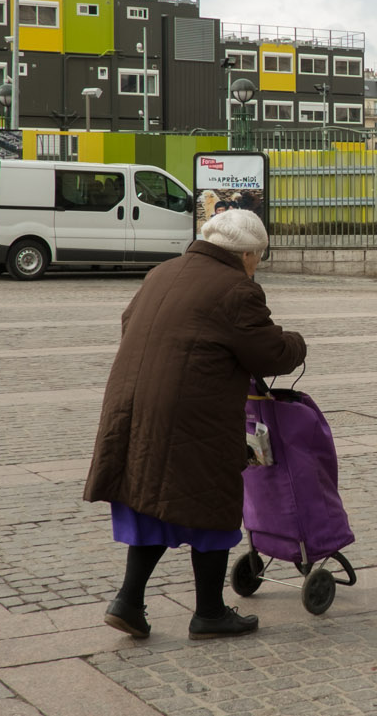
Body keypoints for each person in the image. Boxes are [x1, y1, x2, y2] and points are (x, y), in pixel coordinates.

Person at [83, 209, 308, 641]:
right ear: (246, 254)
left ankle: (128, 602)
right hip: (190, 411)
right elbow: (268, 353)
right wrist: (296, 343)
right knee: (210, 495)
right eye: (257, 257)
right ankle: (209, 613)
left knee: (153, 497)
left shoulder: (163, 271)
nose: (256, 265)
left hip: (134, 402)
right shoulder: (237, 289)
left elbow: (130, 322)